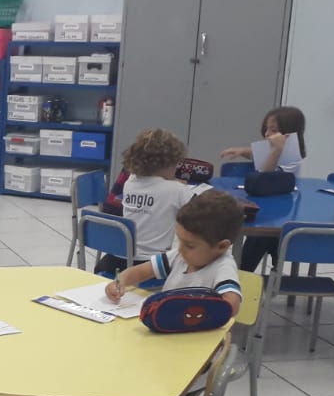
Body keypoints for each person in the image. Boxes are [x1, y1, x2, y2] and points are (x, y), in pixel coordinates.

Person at [105, 190, 245, 314]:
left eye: (190, 245)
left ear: (222, 246)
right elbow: (140, 272)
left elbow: (231, 306)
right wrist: (120, 281)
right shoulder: (180, 257)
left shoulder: (223, 267)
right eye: (179, 240)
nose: (180, 249)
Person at [96, 128, 209, 276]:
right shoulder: (176, 190)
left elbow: (155, 187)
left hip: (117, 260)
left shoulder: (130, 182)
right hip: (152, 265)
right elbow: (205, 208)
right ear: (166, 164)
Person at [220, 106, 307, 272]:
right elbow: (258, 154)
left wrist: (277, 150)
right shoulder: (276, 149)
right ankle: (245, 270)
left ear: (288, 134)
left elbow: (263, 176)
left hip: (282, 214)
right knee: (260, 234)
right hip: (268, 209)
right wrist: (243, 151)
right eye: (266, 129)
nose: (267, 134)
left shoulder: (292, 157)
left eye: (273, 130)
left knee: (261, 236)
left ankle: (243, 273)